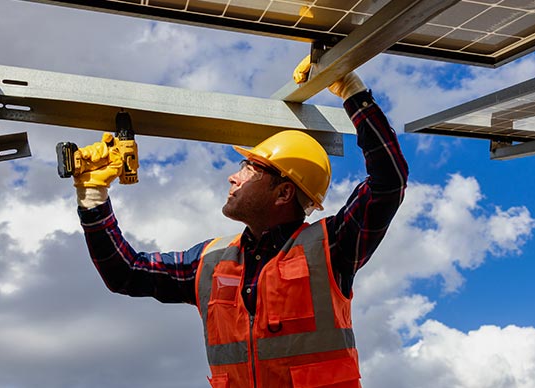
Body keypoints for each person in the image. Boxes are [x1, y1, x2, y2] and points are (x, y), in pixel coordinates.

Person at [74, 61, 408, 387]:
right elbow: (126, 272)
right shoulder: (209, 261)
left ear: (283, 192)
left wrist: (353, 92)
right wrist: (93, 195)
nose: (233, 177)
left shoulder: (330, 246)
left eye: (248, 169)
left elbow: (388, 181)